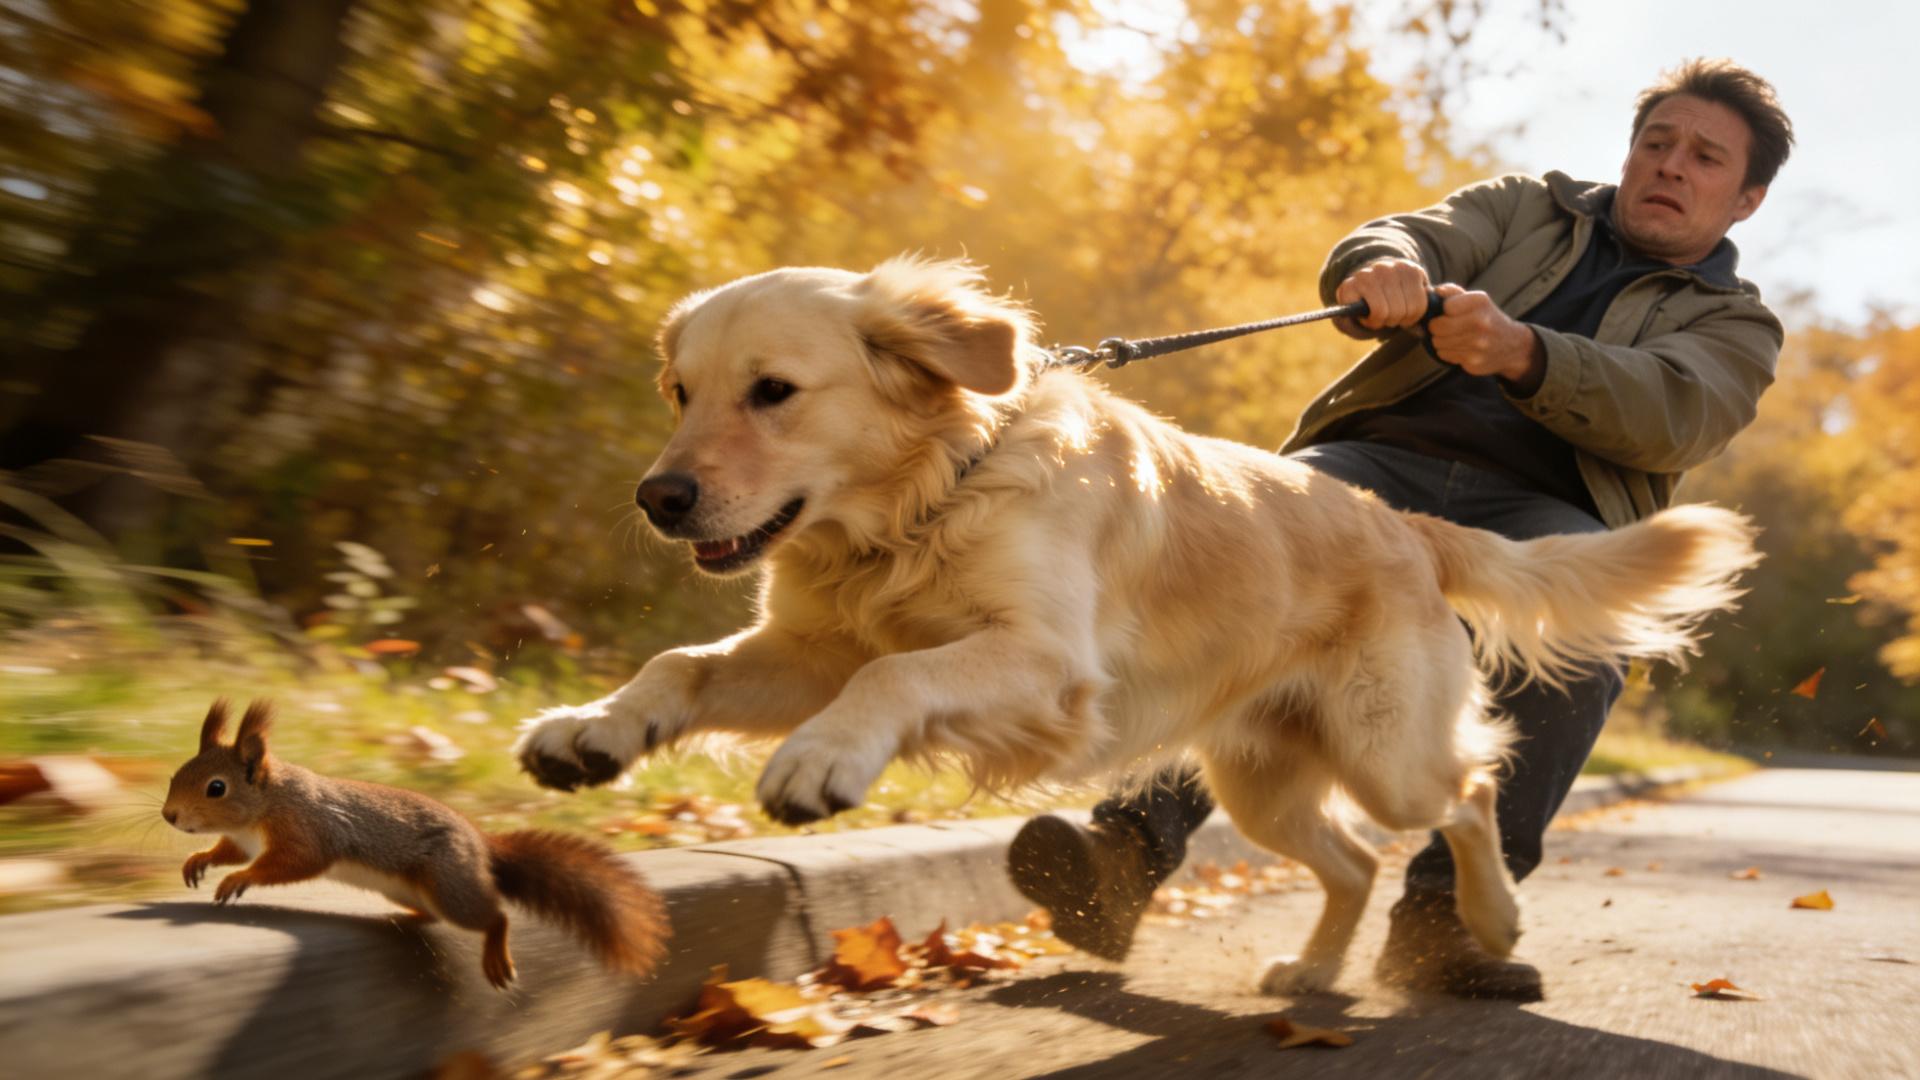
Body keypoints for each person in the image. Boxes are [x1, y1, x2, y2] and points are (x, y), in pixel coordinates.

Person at [1007, 58, 1793, 1002]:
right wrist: (1382, 266)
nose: (1669, 165)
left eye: (1704, 157)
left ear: (1744, 200)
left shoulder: (1738, 326)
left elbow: (1677, 413)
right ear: (1628, 154)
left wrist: (1523, 352)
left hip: (1545, 506)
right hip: (1373, 465)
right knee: (1238, 547)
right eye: (1656, 142)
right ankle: (1123, 855)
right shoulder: (1524, 207)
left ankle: (1443, 923)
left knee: (1585, 658)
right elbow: (1410, 233)